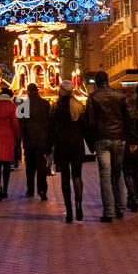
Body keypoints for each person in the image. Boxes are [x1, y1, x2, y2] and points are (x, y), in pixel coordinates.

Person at [83, 71, 129, 222]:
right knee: (118, 173)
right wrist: (129, 138)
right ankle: (120, 208)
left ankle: (108, 212)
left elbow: (90, 122)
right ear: (107, 80)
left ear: (96, 82)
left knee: (105, 175)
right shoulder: (120, 95)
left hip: (102, 138)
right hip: (119, 138)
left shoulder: (93, 97)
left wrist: (90, 143)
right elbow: (127, 118)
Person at [49, 81, 87, 222]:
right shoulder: (79, 106)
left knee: (65, 177)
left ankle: (69, 210)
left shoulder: (55, 107)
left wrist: (48, 149)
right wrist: (91, 144)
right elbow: (85, 128)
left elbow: (51, 130)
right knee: (77, 176)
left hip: (62, 145)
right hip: (77, 144)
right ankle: (79, 206)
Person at [20, 83, 51, 199]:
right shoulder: (45, 104)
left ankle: (30, 189)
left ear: (28, 91)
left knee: (30, 166)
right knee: (41, 165)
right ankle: (42, 189)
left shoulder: (24, 105)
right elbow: (49, 123)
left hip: (29, 140)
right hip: (42, 139)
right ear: (37, 90)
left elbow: (22, 125)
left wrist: (22, 138)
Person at [122, 88, 138, 213]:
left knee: (127, 172)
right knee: (136, 172)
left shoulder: (123, 117)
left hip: (126, 146)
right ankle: (136, 196)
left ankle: (131, 196)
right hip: (137, 145)